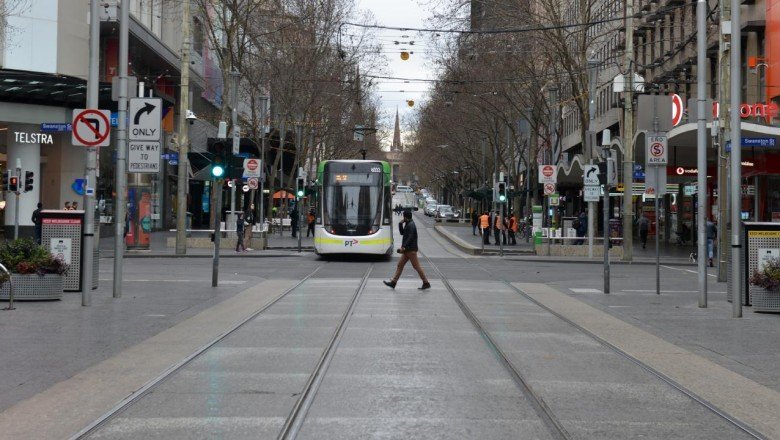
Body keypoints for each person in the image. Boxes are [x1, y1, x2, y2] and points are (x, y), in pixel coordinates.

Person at [383, 210, 430, 290]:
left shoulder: (411, 225)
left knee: (417, 267)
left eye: (403, 217)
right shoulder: (408, 224)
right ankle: (393, 282)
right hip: (407, 251)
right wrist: (400, 224)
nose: (403, 218)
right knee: (400, 265)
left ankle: (426, 282)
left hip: (411, 250)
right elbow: (402, 233)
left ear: (405, 217)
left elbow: (410, 237)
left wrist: (404, 246)